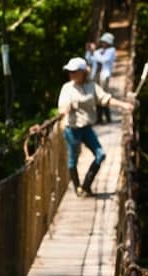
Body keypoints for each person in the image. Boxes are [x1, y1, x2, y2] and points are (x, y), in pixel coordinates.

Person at [41, 56, 134, 197]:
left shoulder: (92, 86)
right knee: (73, 159)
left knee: (100, 155)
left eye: (74, 71)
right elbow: (62, 107)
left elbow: (105, 99)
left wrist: (123, 105)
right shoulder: (67, 88)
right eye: (69, 71)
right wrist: (65, 110)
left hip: (86, 128)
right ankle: (78, 188)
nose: (71, 74)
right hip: (72, 129)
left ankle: (86, 185)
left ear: (83, 72)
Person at [84, 32, 117, 123]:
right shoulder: (98, 52)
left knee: (104, 96)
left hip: (104, 76)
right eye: (102, 42)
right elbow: (89, 59)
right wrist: (89, 51)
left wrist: (94, 52)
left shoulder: (112, 51)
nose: (103, 43)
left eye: (105, 42)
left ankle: (107, 117)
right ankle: (99, 118)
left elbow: (103, 60)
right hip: (96, 75)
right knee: (96, 96)